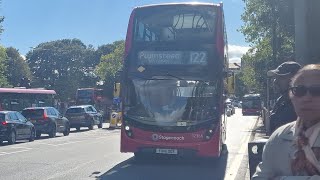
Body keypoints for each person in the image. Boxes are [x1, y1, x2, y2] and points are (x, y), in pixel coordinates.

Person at [253, 64, 320, 179]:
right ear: (291, 96)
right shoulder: (279, 136)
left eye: (317, 90)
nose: (307, 98)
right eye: (299, 90)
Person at [267, 61, 301, 133]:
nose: (275, 81)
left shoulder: (304, 104)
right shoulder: (281, 101)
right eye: (275, 78)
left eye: (281, 77)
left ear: (295, 79)